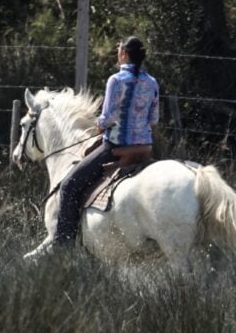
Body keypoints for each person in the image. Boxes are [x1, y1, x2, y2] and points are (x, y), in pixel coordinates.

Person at [49, 36, 160, 249]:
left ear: (124, 55)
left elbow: (107, 117)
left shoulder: (116, 80)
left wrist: (99, 125)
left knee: (69, 186)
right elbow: (153, 119)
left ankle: (63, 247)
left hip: (116, 148)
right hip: (145, 149)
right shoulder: (152, 82)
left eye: (119, 51)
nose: (118, 55)